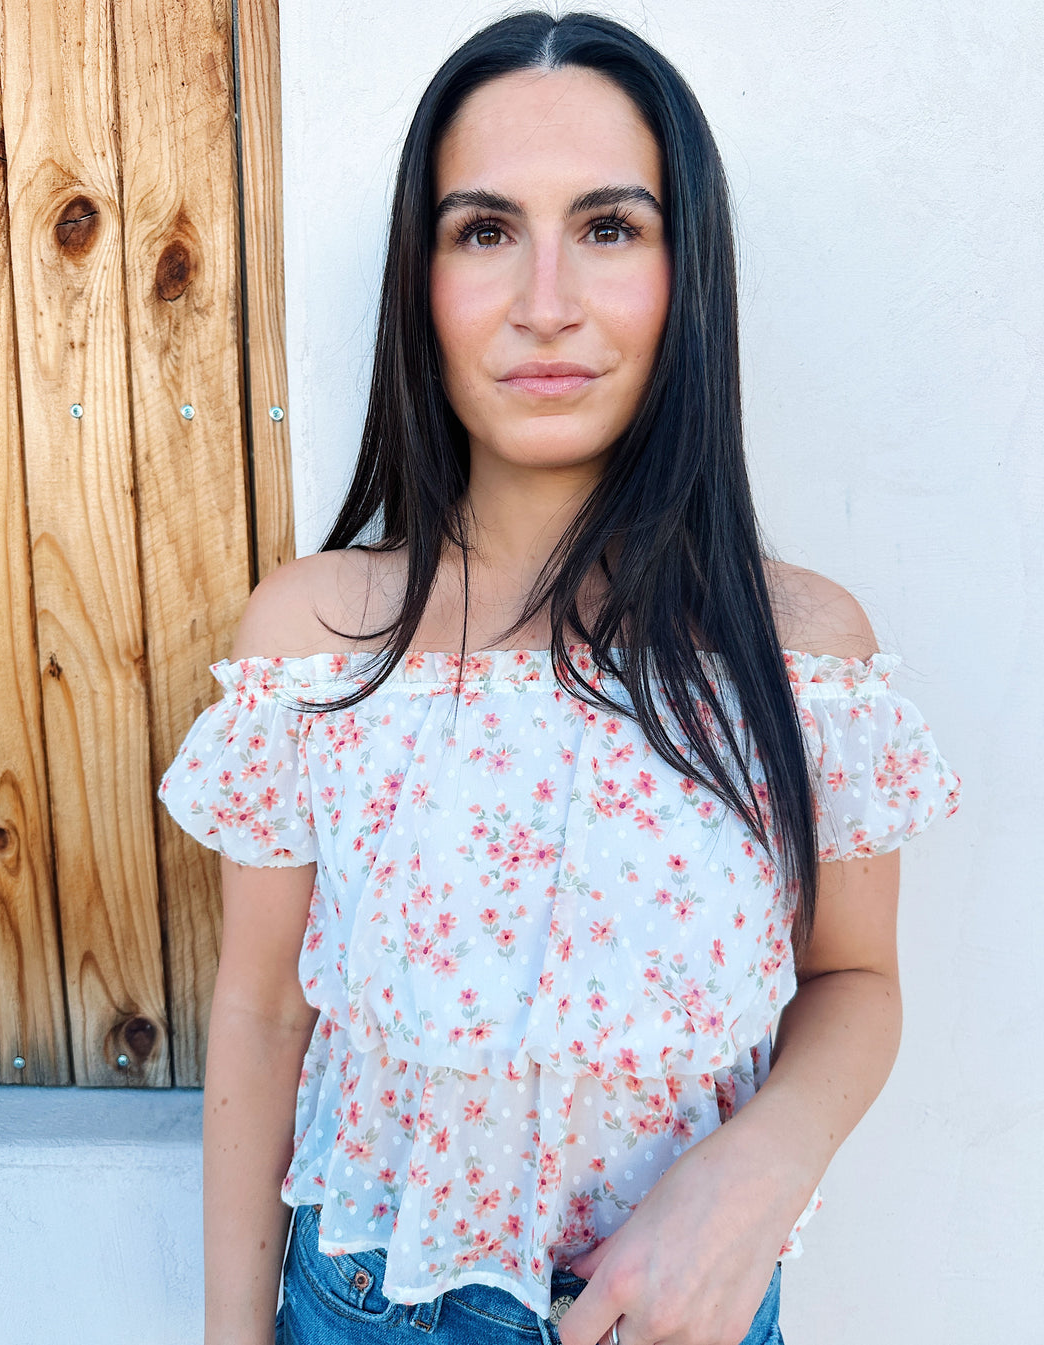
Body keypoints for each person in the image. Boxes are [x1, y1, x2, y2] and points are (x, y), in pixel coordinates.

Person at [159, 11, 960, 1345]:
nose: (547, 302)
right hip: (356, 1306)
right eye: (484, 231)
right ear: (423, 276)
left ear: (682, 266)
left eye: (608, 226)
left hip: (680, 1312)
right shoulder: (314, 639)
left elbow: (857, 983)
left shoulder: (803, 652)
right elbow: (256, 1008)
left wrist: (760, 1172)